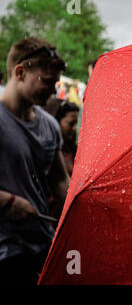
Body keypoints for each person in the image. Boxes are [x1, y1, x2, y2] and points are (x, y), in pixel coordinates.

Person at [0, 37, 70, 285]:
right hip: (6, 251)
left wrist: (75, 217)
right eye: (47, 82)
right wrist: (7, 201)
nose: (53, 90)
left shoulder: (49, 125)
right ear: (20, 72)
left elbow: (59, 181)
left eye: (55, 83)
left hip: (42, 245)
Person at [44, 97, 79, 177]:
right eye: (71, 124)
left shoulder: (72, 151)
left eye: (76, 124)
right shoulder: (47, 153)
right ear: (55, 122)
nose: (75, 128)